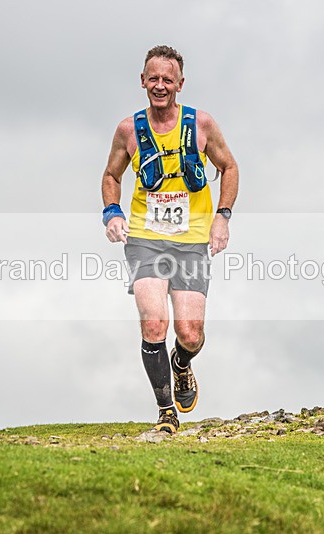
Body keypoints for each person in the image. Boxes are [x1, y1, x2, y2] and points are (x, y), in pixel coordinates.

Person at [101, 45, 239, 433]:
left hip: (192, 238)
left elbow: (229, 167)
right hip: (145, 236)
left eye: (168, 79)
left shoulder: (201, 125)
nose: (160, 86)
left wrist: (222, 219)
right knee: (153, 324)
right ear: (142, 81)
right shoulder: (129, 129)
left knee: (189, 333)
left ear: (180, 83)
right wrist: (112, 213)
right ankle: (166, 413)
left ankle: (182, 363)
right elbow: (111, 176)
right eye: (153, 78)